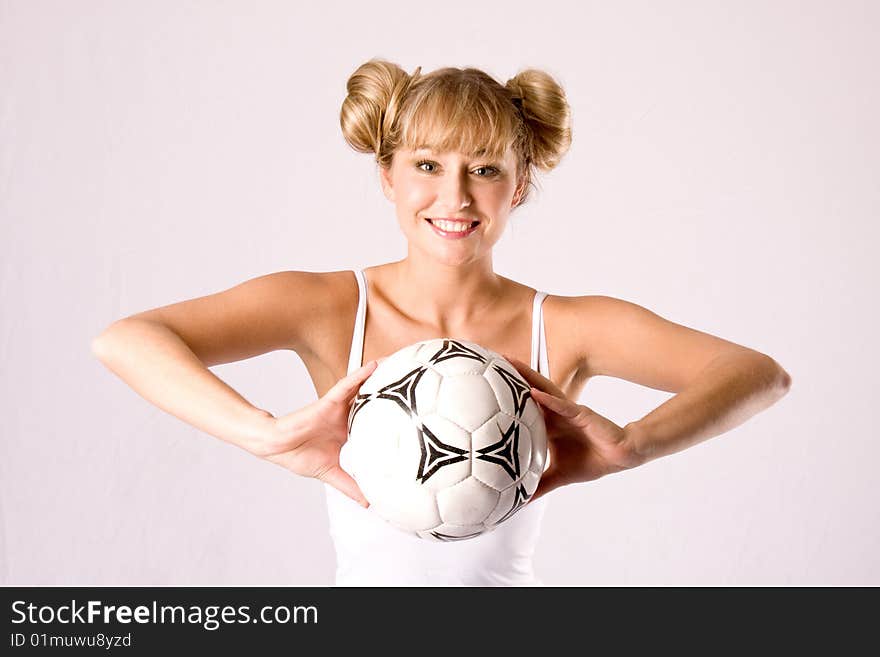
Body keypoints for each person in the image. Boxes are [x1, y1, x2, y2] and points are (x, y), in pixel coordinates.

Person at [92, 59, 792, 586]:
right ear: (389, 177)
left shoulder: (565, 326)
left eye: (485, 169)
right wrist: (266, 434)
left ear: (518, 186)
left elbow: (758, 373)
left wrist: (635, 442)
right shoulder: (332, 308)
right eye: (427, 164)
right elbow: (126, 339)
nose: (454, 196)